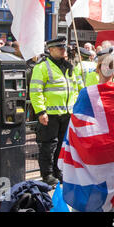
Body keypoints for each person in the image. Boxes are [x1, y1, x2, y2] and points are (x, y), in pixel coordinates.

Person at [57, 53, 114, 212]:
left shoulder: (86, 93)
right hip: (113, 161)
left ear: (97, 69)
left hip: (92, 160)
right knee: (108, 201)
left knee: (87, 199)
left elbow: (75, 126)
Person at [29, 36, 78, 186]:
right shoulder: (42, 67)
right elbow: (36, 91)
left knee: (62, 145)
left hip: (67, 113)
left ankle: (58, 171)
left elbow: (75, 88)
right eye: (59, 47)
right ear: (50, 50)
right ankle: (47, 174)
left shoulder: (69, 67)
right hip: (49, 114)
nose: (63, 50)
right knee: (48, 146)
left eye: (64, 47)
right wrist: (40, 111)